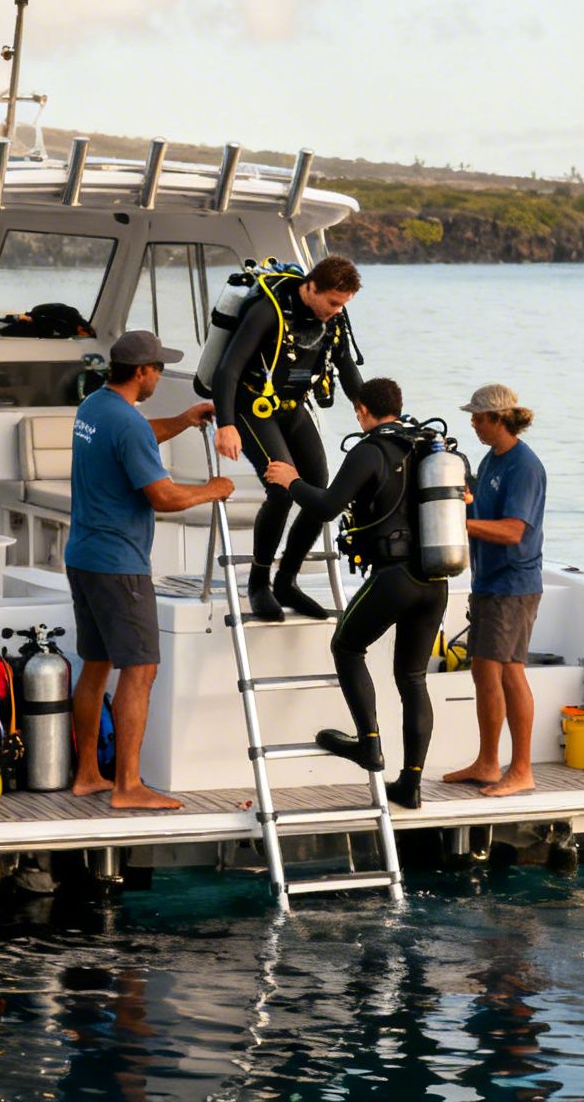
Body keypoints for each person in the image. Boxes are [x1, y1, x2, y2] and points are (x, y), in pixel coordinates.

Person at [66, 329, 234, 810]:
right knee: (140, 670)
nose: (160, 373)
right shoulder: (127, 423)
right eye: (158, 367)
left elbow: (135, 438)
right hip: (119, 565)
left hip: (83, 558)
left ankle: (88, 776)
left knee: (96, 667)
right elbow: (163, 497)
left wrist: (181, 421)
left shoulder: (95, 407)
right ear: (142, 372)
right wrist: (213, 488)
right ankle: (128, 786)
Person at [263, 378, 447, 809]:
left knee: (346, 647)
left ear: (362, 409)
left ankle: (368, 744)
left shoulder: (370, 450)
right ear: (398, 406)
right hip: (435, 581)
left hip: (395, 577)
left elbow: (327, 506)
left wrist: (291, 481)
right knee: (413, 678)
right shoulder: (427, 446)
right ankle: (411, 784)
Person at [211, 255, 364, 622]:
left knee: (320, 491)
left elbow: (347, 371)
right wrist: (226, 423)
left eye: (343, 304)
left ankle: (286, 581)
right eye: (332, 302)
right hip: (253, 409)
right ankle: (259, 582)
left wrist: (374, 416)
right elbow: (227, 371)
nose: (336, 311)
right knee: (281, 489)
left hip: (292, 409)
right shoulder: (268, 311)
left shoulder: (335, 318)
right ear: (311, 286)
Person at [442, 383, 546, 797]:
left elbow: (513, 531)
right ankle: (488, 763)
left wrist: (459, 524)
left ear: (497, 418)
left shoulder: (524, 466)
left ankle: (521, 770)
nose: (472, 422)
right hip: (487, 580)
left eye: (477, 416)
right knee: (484, 669)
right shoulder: (490, 460)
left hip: (514, 583)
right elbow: (482, 509)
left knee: (510, 670)